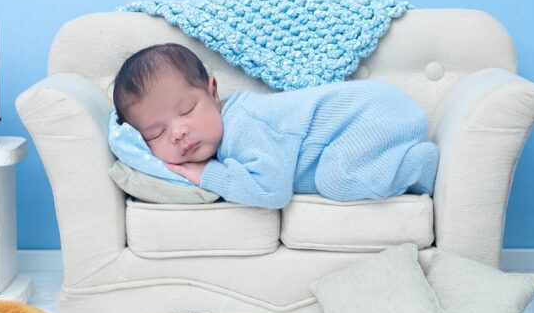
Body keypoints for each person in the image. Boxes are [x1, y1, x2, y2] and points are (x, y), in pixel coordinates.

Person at [112, 43, 439, 209]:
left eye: (186, 110)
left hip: (372, 116)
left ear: (213, 92)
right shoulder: (221, 132)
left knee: (337, 180)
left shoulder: (245, 125)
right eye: (156, 133)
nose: (178, 132)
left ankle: (420, 165)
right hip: (370, 116)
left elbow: (271, 191)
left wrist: (205, 175)